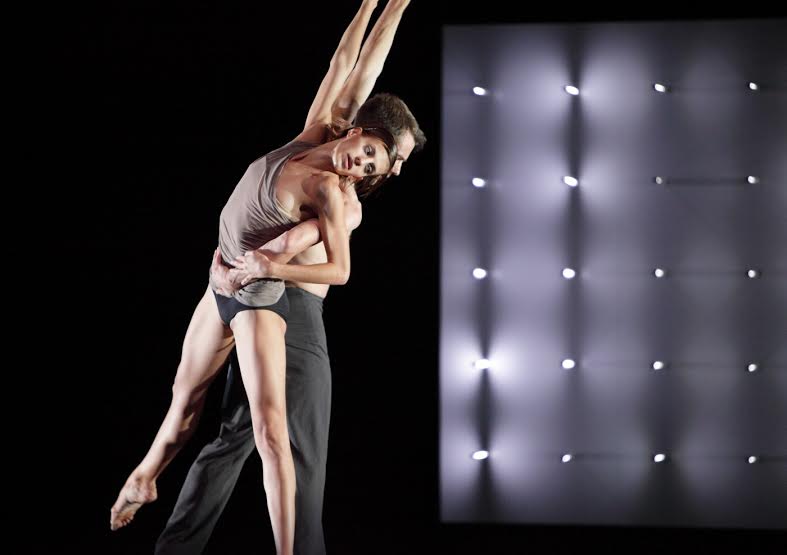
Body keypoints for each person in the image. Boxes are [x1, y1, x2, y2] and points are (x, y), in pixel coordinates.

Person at [109, 2, 421, 554]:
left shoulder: (338, 200)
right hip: (222, 285)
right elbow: (352, 62)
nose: (363, 164)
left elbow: (310, 260)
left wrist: (259, 269)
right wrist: (382, 3)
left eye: (377, 165)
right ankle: (144, 477)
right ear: (359, 131)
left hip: (256, 296)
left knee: (270, 434)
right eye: (369, 151)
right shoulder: (318, 133)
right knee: (184, 402)